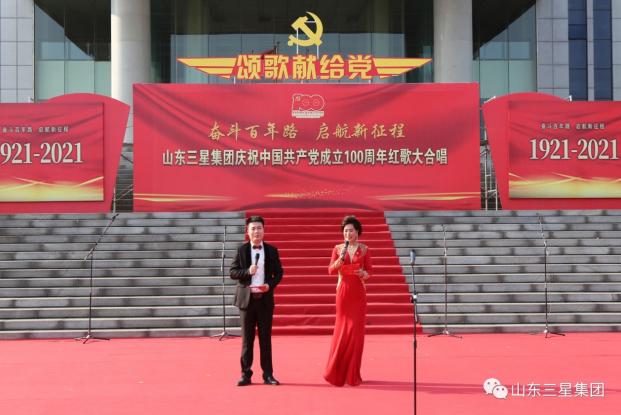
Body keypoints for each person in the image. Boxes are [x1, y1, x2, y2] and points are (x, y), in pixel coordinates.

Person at [230, 215, 283, 386]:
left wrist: (270, 285)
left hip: (264, 300)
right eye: (253, 228)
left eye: (259, 228)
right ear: (248, 231)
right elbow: (233, 272)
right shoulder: (241, 250)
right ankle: (246, 374)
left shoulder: (272, 250)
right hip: (247, 301)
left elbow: (279, 272)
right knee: (247, 340)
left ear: (264, 230)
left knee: (265, 340)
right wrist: (247, 271)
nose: (256, 231)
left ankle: (268, 374)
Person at [323, 215, 372, 387]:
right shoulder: (338, 249)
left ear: (357, 231)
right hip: (343, 293)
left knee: (356, 334)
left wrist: (363, 274)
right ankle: (336, 371)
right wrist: (339, 260)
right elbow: (330, 271)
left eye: (351, 230)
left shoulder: (365, 249)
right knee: (342, 331)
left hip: (358, 293)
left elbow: (370, 270)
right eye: (345, 231)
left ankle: (352, 373)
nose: (348, 233)